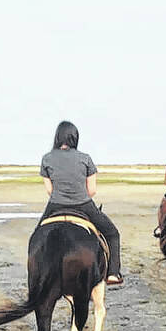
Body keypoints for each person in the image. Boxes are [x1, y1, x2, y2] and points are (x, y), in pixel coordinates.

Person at [40, 121, 123, 285]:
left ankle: (38, 273)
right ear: (75, 137)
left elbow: (49, 190)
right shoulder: (85, 158)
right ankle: (113, 273)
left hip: (55, 204)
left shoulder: (47, 158)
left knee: (37, 235)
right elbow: (92, 191)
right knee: (113, 234)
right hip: (83, 205)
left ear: (57, 137)